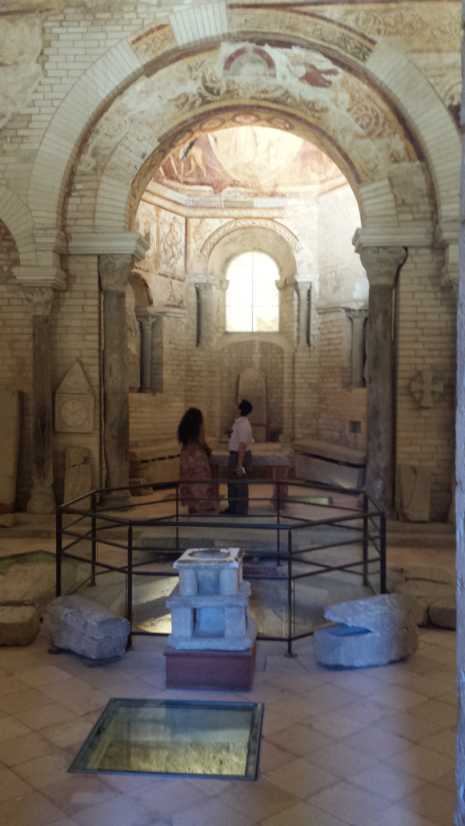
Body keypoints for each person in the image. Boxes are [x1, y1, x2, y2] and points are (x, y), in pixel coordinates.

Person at [177, 407, 219, 515]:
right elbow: (201, 441)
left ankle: (193, 506)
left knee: (189, 481)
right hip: (197, 456)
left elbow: (183, 442)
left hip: (186, 455)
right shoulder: (198, 428)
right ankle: (203, 507)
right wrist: (208, 451)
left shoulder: (183, 428)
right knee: (201, 482)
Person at [225, 399, 254, 515]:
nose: (235, 408)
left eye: (237, 407)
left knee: (240, 485)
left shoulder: (243, 424)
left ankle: (240, 510)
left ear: (240, 409)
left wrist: (239, 464)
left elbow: (242, 445)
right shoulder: (240, 423)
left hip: (239, 456)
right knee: (232, 483)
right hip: (236, 455)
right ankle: (232, 508)